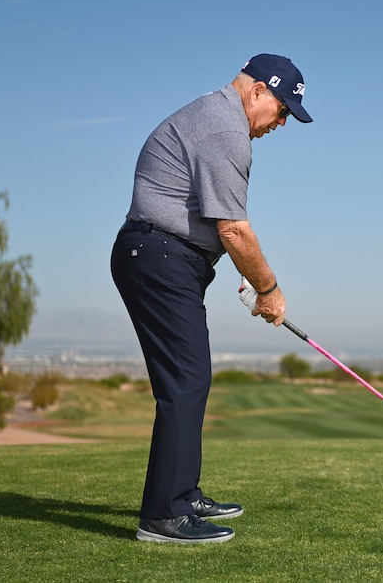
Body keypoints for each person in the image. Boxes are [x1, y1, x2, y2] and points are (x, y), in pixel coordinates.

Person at [111, 54, 313, 544]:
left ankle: (183, 492)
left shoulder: (214, 116)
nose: (281, 123)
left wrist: (232, 269)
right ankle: (163, 515)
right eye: (283, 110)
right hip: (159, 255)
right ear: (260, 90)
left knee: (190, 378)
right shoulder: (226, 129)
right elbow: (233, 229)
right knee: (186, 379)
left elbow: (216, 230)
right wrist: (269, 289)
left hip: (163, 256)